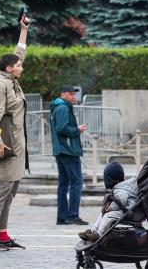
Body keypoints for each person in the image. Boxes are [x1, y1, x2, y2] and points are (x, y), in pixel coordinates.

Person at [0, 15, 30, 251]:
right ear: (9, 68)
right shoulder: (0, 85)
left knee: (10, 192)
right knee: (2, 191)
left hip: (18, 146)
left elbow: (19, 53)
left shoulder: (11, 79)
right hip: (7, 147)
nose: (22, 66)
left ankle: (2, 235)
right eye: (18, 65)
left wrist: (23, 30)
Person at [50, 85, 88, 225]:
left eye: (74, 94)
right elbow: (62, 128)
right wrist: (77, 130)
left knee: (64, 183)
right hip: (68, 150)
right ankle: (72, 215)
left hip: (62, 150)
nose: (74, 97)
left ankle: (62, 217)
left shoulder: (59, 107)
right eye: (71, 94)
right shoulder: (63, 108)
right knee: (76, 182)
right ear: (64, 94)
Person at [78, 162, 137, 242]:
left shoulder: (119, 189)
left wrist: (111, 207)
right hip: (125, 209)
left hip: (127, 211)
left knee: (107, 215)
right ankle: (93, 231)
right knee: (102, 213)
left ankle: (98, 234)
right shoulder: (121, 186)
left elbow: (122, 200)